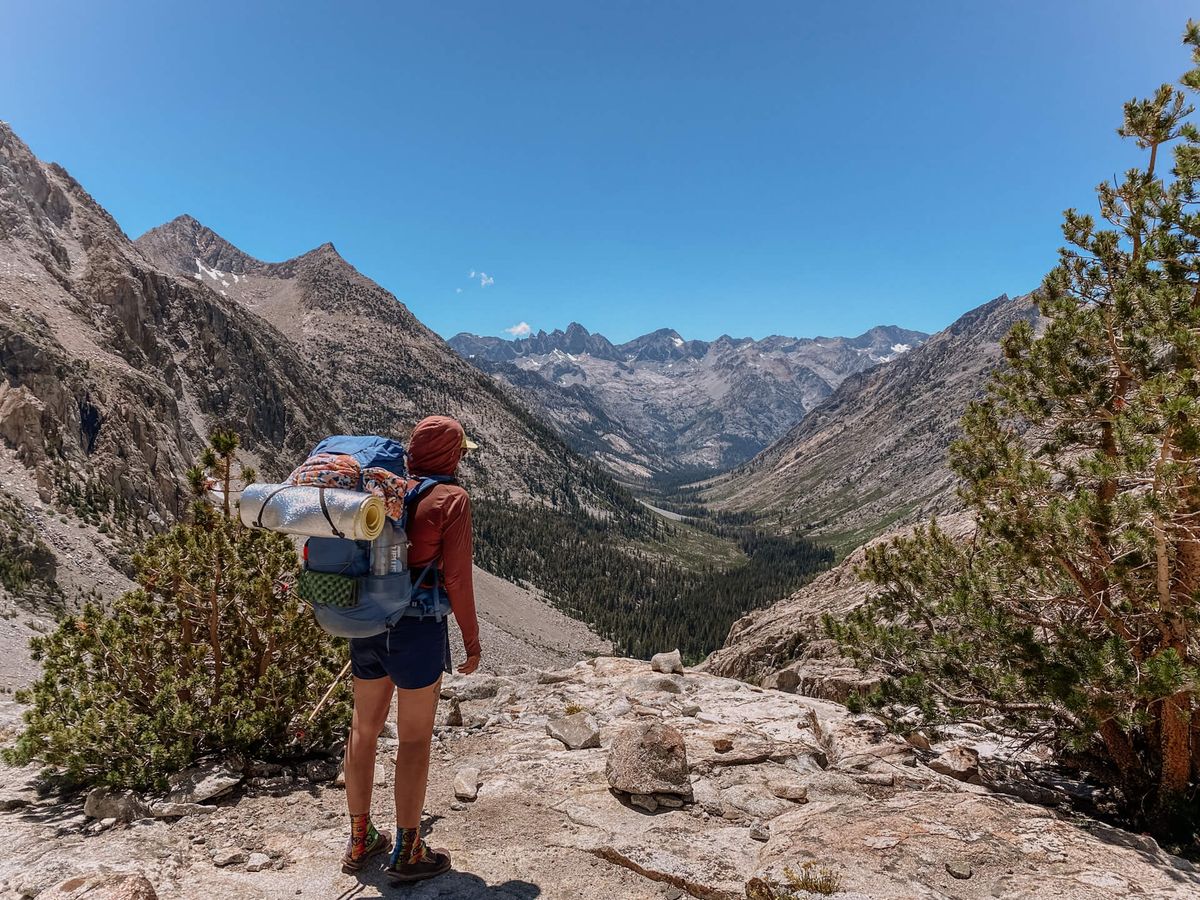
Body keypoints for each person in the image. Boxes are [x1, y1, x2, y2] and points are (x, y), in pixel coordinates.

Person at [339, 415, 483, 882]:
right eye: (460, 452)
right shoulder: (451, 499)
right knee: (414, 739)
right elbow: (457, 578)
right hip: (417, 629)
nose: (462, 459)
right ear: (451, 454)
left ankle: (360, 839)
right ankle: (408, 851)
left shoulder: (383, 491)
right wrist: (472, 639)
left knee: (364, 730)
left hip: (367, 621)